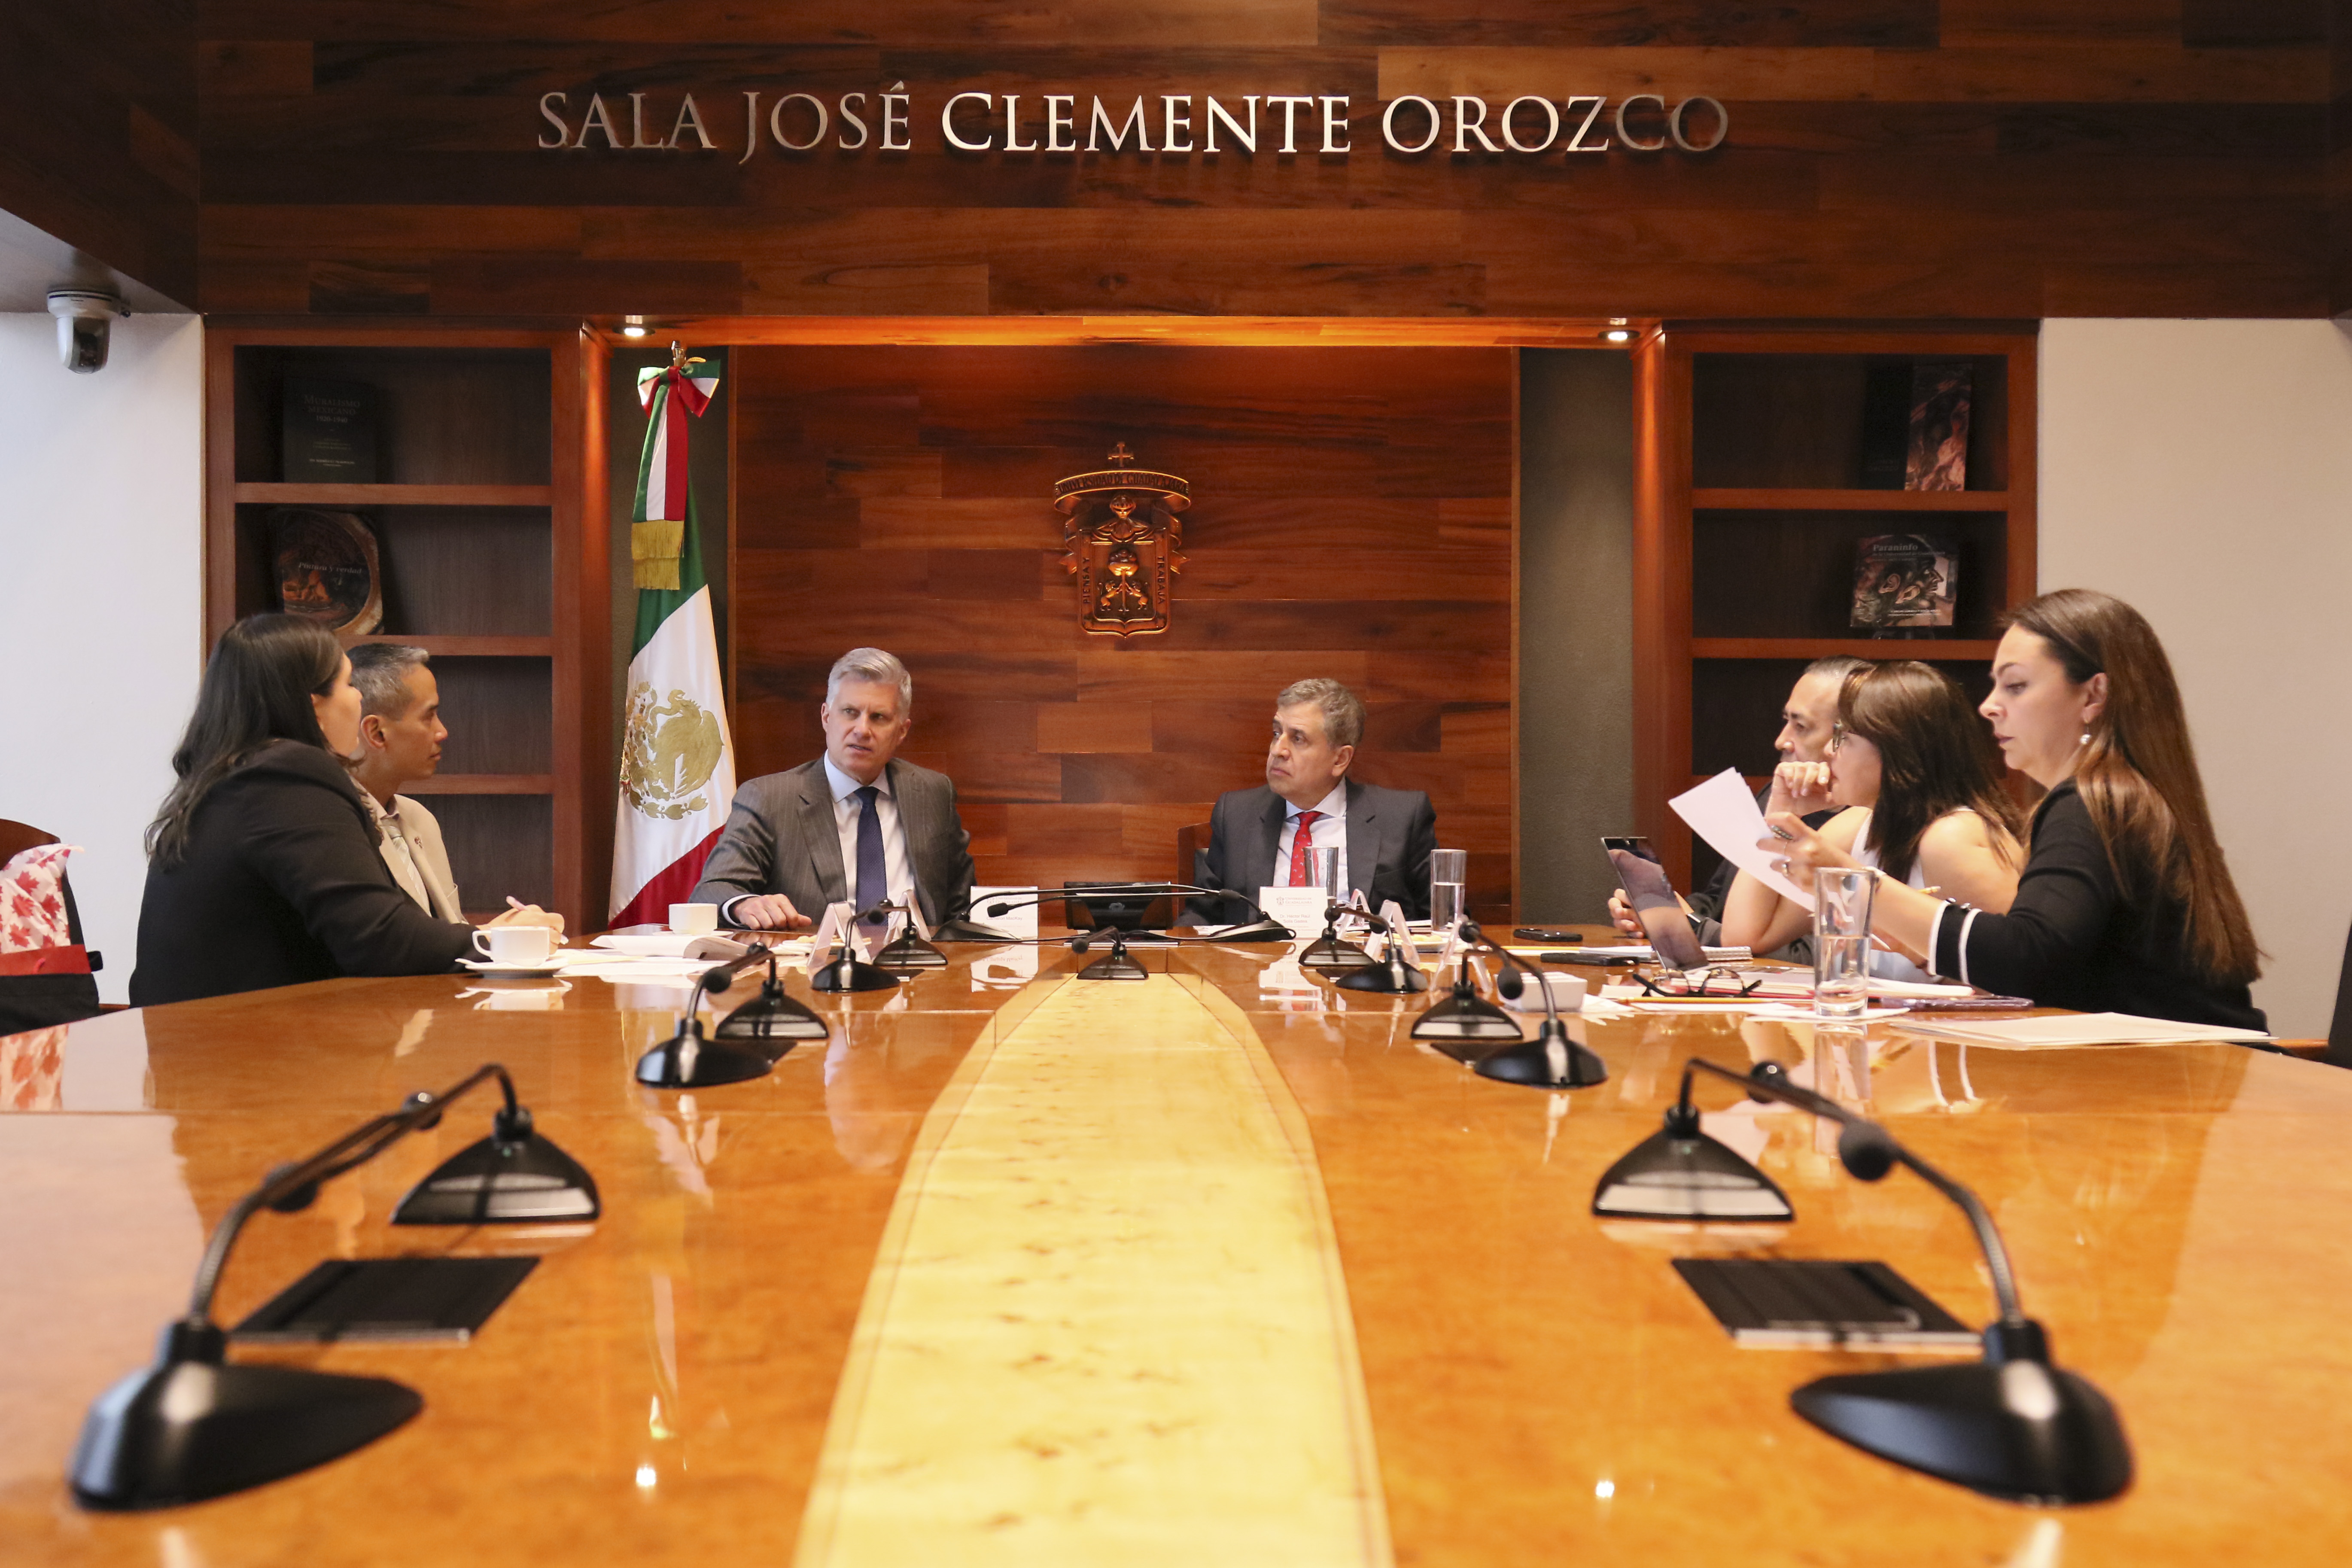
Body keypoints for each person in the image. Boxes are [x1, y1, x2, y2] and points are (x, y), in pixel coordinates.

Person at [1765, 589, 2264, 1031]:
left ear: (2093, 695)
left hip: (2184, 1074)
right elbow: (2069, 967)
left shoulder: (2094, 803)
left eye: (2016, 686)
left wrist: (1854, 883)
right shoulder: (2118, 795)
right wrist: (1931, 952)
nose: (1988, 706)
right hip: (2183, 1067)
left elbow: (2027, 957)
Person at [131, 615, 560, 1006]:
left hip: (197, 1043)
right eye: (349, 684)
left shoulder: (230, 778)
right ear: (313, 705)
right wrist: (498, 941)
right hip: (242, 1051)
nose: (358, 699)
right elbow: (378, 937)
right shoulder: (288, 777)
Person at [1720, 661, 2025, 980]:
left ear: (1897, 748)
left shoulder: (1952, 837)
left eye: (1843, 737)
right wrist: (1782, 814)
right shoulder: (1856, 825)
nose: (1829, 750)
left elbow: (2017, 975)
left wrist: (1917, 952)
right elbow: (1745, 937)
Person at [691, 647, 974, 932]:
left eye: (878, 717)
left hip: (918, 957)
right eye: (850, 712)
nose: (862, 730)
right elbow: (713, 890)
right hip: (815, 958)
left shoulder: (933, 793)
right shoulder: (769, 799)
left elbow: (963, 908)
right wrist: (745, 904)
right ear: (826, 717)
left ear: (902, 731)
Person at [1609, 655, 1865, 942]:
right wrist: (1657, 913)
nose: (1781, 741)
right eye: (1786, 721)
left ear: (1850, 737)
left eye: (1801, 727)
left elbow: (1803, 955)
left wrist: (1688, 925)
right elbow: (1718, 900)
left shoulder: (1862, 824)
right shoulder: (1777, 795)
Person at [1188, 677, 1438, 925]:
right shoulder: (1236, 814)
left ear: (1340, 759)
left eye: (1298, 739)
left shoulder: (1401, 818)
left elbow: (1441, 923)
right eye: (1277, 733)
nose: (1277, 750)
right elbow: (1201, 917)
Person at [344, 642, 462, 920]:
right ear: (377, 732)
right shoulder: (335, 826)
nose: (442, 732)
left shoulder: (420, 819)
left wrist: (507, 933)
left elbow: (453, 933)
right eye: (429, 716)